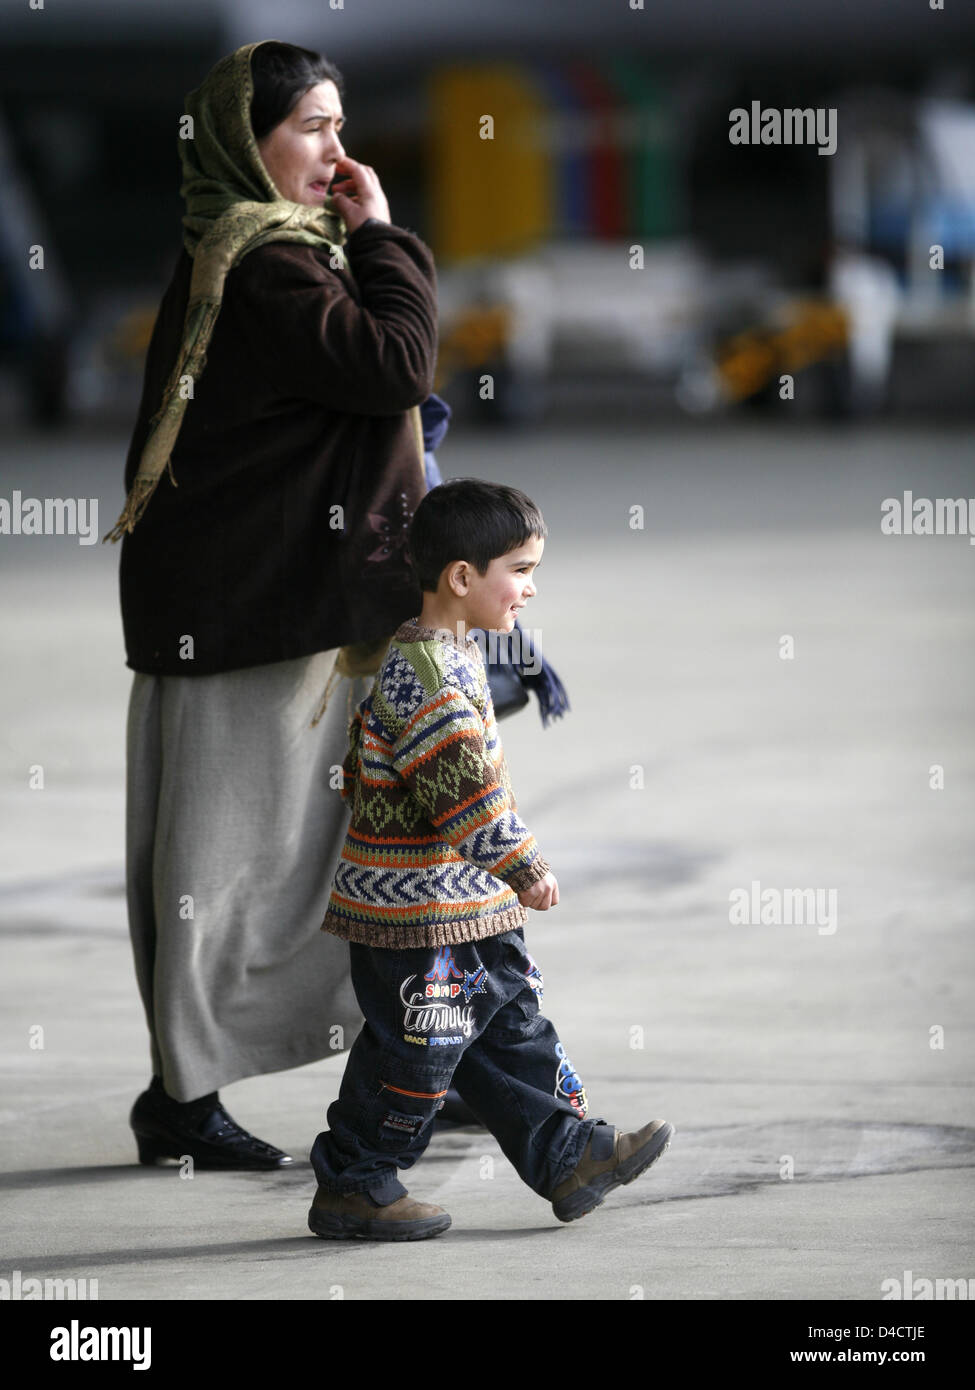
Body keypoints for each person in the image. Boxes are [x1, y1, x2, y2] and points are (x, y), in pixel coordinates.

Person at [110, 39, 442, 1167]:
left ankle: (438, 1056)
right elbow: (396, 364)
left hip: (272, 605)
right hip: (242, 616)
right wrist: (386, 231)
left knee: (304, 859)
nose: (337, 151)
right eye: (311, 126)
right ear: (240, 144)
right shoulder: (267, 267)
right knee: (221, 871)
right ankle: (184, 1095)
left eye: (342, 126)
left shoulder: (261, 248)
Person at [306, 479, 674, 1239]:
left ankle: (569, 1154)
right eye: (520, 569)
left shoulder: (456, 652)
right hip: (417, 912)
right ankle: (355, 1181)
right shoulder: (428, 678)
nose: (531, 589)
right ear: (462, 577)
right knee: (417, 1050)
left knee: (509, 1030)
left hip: (464, 904)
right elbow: (462, 790)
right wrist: (523, 864)